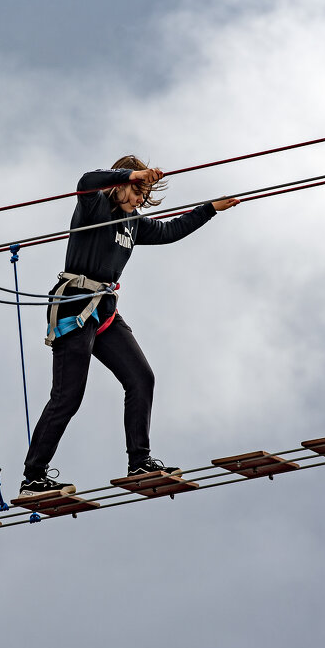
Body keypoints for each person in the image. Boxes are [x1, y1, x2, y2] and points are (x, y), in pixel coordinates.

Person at [19, 156, 239, 498]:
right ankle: (33, 478)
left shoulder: (133, 223)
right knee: (68, 398)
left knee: (141, 378)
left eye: (144, 194)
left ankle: (139, 462)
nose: (140, 199)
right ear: (120, 183)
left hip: (104, 312)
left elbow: (170, 231)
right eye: (137, 191)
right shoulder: (93, 207)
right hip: (75, 307)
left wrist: (209, 208)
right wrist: (133, 173)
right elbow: (87, 178)